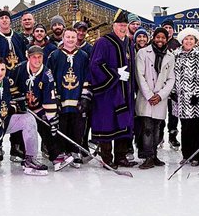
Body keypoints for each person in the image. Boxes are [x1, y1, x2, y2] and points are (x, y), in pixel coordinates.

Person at [0, 58, 47, 176]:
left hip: (3, 123)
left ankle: (30, 159)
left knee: (28, 119)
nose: (0, 72)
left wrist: (14, 106)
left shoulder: (6, 82)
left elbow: (9, 100)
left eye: (2, 69)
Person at [87, 10, 138, 168]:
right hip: (108, 93)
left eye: (125, 25)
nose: (123, 28)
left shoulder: (129, 43)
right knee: (107, 125)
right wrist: (116, 74)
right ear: (113, 26)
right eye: (120, 25)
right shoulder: (103, 42)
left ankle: (121, 157)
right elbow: (95, 65)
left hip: (125, 91)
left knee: (123, 124)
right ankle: (107, 158)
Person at [47, 24, 92, 170]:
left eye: (73, 37)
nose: (71, 40)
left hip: (77, 100)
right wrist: (55, 98)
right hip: (62, 99)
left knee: (78, 127)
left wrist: (85, 97)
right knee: (62, 127)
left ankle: (76, 151)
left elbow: (87, 77)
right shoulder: (55, 55)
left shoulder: (84, 56)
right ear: (63, 38)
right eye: (68, 37)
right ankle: (63, 153)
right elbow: (50, 78)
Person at [171, 28, 199, 165]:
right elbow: (171, 75)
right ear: (182, 41)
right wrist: (173, 92)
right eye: (186, 39)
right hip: (180, 97)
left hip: (195, 98)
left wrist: (197, 94)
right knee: (185, 127)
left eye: (191, 39)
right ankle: (186, 154)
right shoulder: (176, 55)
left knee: (196, 127)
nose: (188, 41)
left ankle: (196, 156)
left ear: (195, 41)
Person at [135, 27, 175, 169]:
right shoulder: (143, 53)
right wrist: (150, 95)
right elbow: (139, 75)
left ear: (166, 39)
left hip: (160, 99)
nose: (160, 40)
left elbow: (171, 79)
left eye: (163, 38)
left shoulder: (170, 56)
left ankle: (155, 154)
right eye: (157, 37)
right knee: (147, 128)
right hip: (146, 97)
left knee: (157, 128)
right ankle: (147, 156)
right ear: (153, 38)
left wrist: (160, 95)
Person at [12, 45, 58, 161]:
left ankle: (55, 156)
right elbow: (10, 85)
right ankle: (18, 151)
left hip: (39, 108)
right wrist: (18, 98)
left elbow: (50, 96)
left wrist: (51, 117)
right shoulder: (19, 69)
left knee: (48, 128)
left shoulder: (47, 73)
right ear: (28, 57)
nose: (37, 60)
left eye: (40, 57)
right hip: (23, 108)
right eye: (34, 57)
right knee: (19, 127)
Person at [0, 9, 28, 75]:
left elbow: (25, 58)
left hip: (19, 76)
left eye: (6, 18)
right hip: (0, 77)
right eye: (1, 18)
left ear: (10, 21)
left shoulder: (19, 38)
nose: (4, 20)